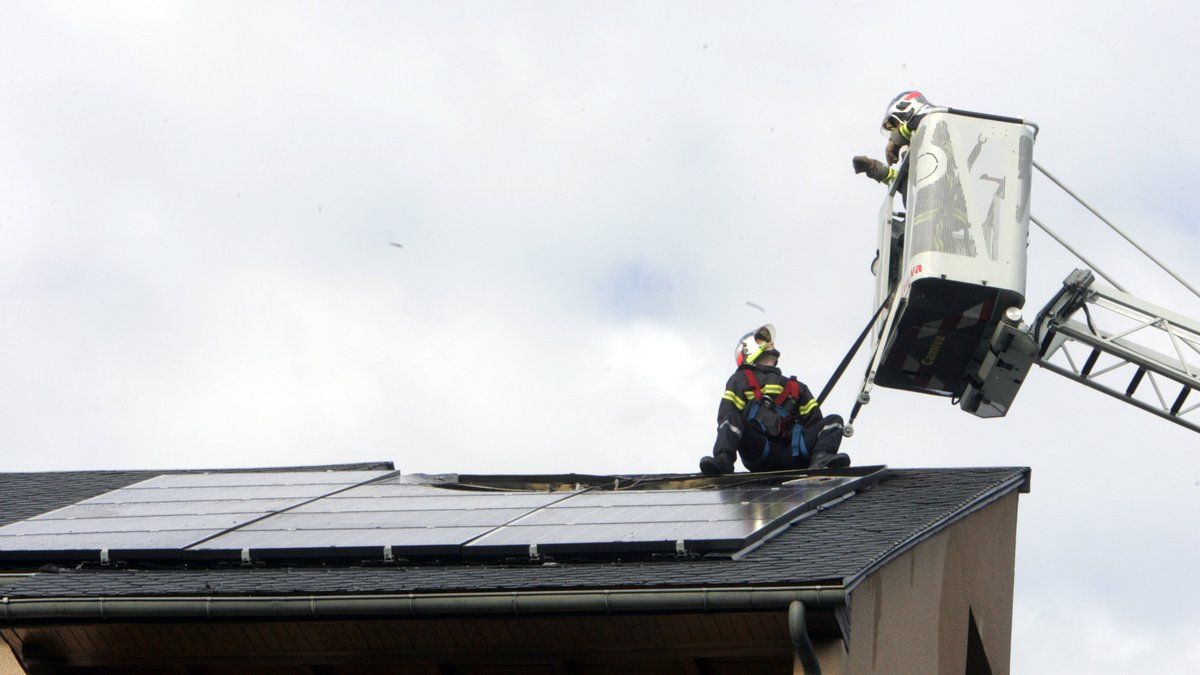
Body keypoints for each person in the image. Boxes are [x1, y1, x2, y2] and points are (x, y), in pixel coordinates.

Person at [699, 324, 850, 476]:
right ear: (747, 349)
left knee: (834, 420)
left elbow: (814, 423)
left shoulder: (798, 387)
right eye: (762, 340)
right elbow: (726, 418)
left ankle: (821, 460)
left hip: (794, 452)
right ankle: (723, 460)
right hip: (759, 449)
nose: (771, 343)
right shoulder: (740, 379)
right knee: (731, 418)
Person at [852, 90, 939, 189]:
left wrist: (896, 139)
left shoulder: (942, 118)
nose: (895, 131)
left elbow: (927, 120)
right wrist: (877, 170)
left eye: (894, 124)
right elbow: (911, 187)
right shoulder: (922, 153)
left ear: (907, 110)